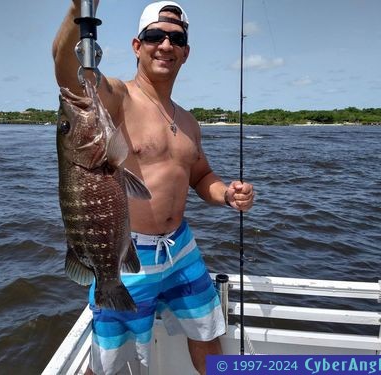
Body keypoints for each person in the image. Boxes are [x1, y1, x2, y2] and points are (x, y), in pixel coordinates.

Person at [53, 1, 255, 374]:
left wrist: (227, 194)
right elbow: (67, 74)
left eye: (176, 38)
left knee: (207, 332)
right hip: (127, 255)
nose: (165, 44)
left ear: (185, 52)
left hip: (182, 248)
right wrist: (77, 11)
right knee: (110, 360)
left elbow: (200, 177)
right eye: (154, 36)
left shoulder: (189, 121)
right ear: (136, 45)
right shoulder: (116, 97)